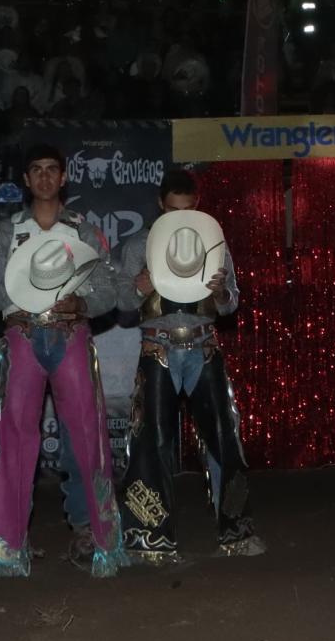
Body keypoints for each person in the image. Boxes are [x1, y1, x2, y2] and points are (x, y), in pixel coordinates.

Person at [0, 142, 129, 578]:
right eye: (35, 170)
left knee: (85, 435)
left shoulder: (84, 230)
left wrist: (84, 303)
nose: (43, 178)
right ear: (25, 179)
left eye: (51, 170)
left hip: (70, 333)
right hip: (21, 336)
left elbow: (110, 290)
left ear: (63, 177)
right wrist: (15, 302)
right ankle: (6, 540)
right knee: (13, 435)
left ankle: (90, 533)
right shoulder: (7, 232)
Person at [113, 169, 264, 562]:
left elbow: (232, 302)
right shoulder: (138, 246)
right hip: (157, 346)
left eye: (187, 207)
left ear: (195, 205)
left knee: (222, 437)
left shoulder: (213, 241)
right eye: (172, 208)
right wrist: (137, 288)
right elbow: (122, 305)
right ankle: (150, 539)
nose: (180, 213)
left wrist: (223, 291)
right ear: (161, 205)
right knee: (151, 443)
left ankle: (237, 532)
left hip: (203, 345)